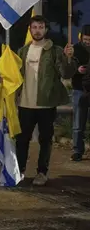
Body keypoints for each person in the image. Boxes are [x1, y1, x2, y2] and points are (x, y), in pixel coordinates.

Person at [15, 15, 76, 185]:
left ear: (46, 30)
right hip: (25, 104)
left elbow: (66, 73)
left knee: (45, 140)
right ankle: (18, 171)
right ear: (30, 29)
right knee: (22, 140)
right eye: (34, 27)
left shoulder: (54, 50)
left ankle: (42, 172)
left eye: (41, 27)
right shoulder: (23, 51)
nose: (37, 30)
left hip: (46, 104)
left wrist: (68, 57)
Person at [70, 25, 90, 161]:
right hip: (79, 89)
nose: (88, 42)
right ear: (81, 37)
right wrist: (77, 70)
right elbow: (68, 68)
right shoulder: (75, 49)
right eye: (86, 39)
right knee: (78, 124)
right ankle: (77, 151)